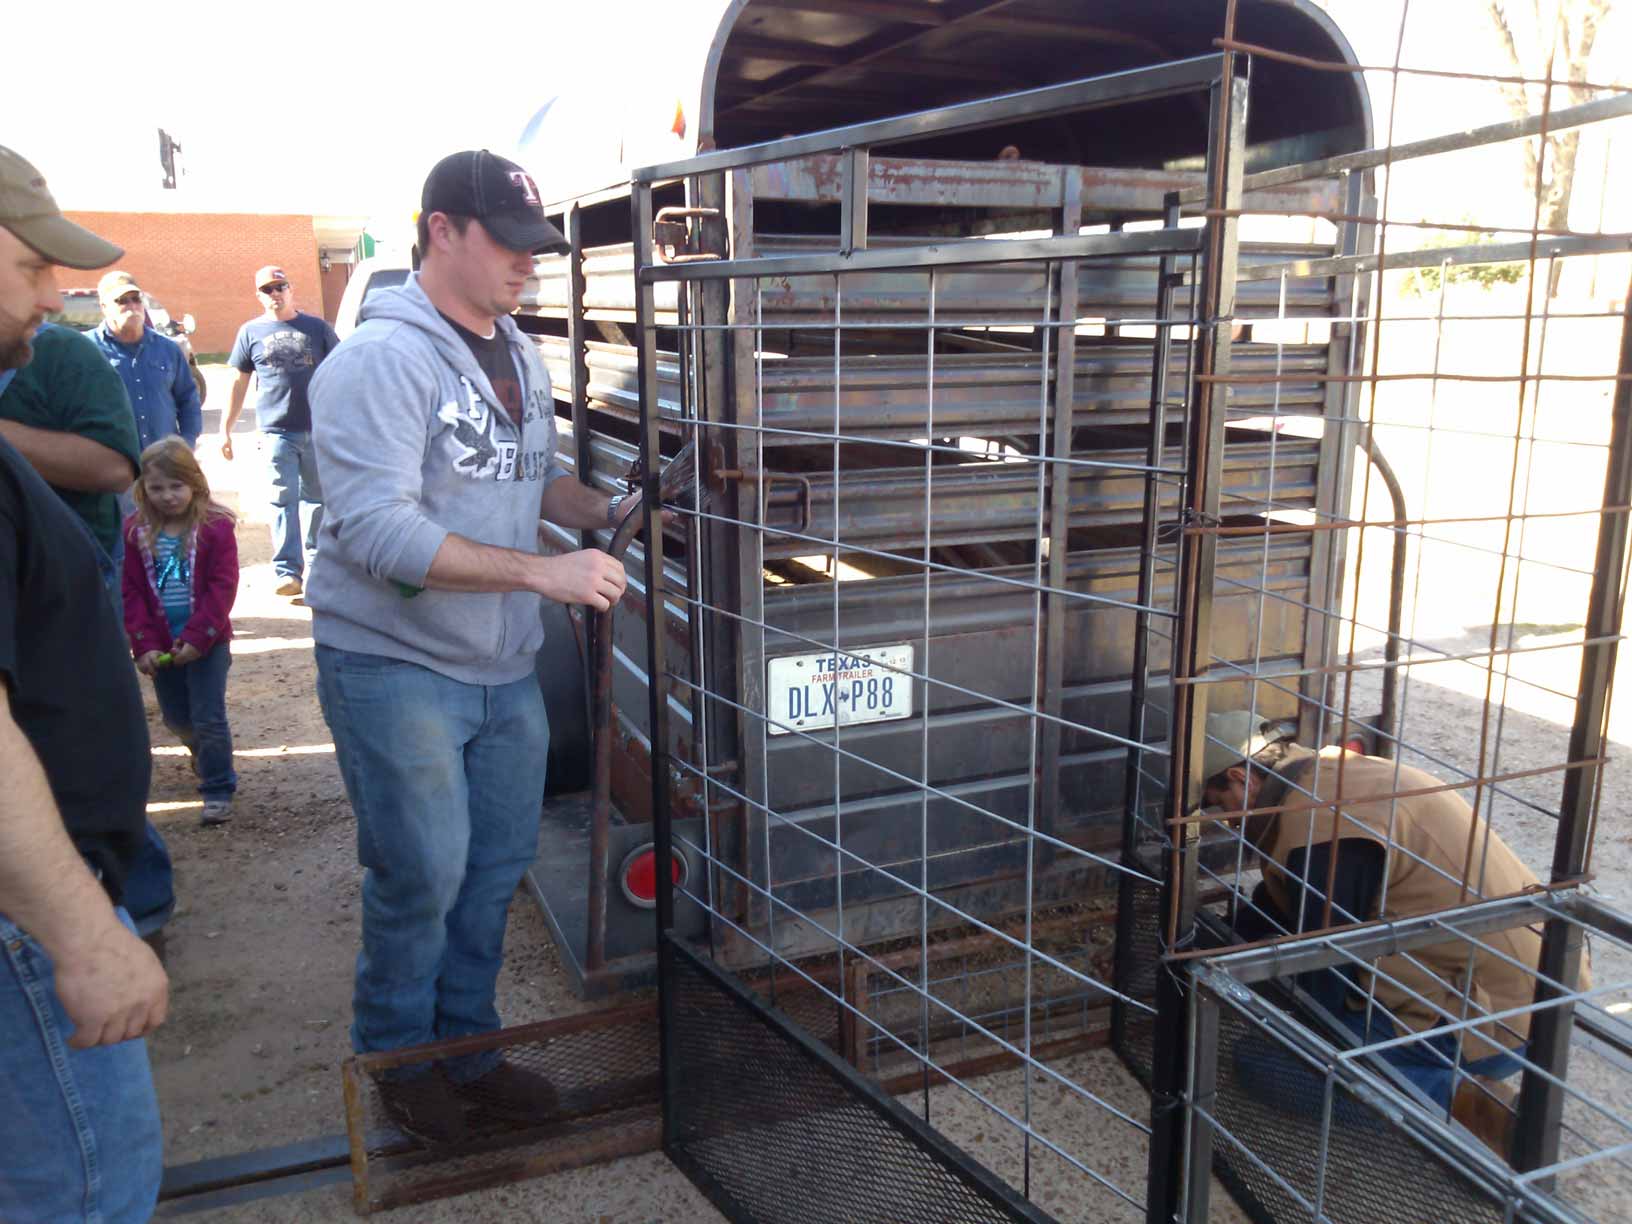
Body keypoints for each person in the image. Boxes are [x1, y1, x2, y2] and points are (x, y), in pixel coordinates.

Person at [307, 149, 641, 1143]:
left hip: (500, 665)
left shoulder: (518, 353)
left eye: (535, 247)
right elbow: (378, 533)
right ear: (441, 231)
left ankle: (470, 1051)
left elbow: (528, 480)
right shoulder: (379, 361)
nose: (528, 264)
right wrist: (544, 575)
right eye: (508, 243)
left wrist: (605, 509)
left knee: (494, 866)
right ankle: (399, 1062)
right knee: (422, 873)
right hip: (393, 663)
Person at [0, 142, 168, 1223]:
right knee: (84, 1194)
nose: (47, 299)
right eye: (29, 268)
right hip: (24, 924)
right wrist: (82, 933)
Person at [1200, 709, 1585, 1155]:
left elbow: (1325, 985)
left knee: (1263, 1063)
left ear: (1241, 778)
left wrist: (1268, 1010)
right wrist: (1212, 945)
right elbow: (1281, 902)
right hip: (1542, 991)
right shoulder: (1326, 776)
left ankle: (1459, 1102)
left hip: (1500, 1021)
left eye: (1219, 804)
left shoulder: (1318, 826)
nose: (1224, 820)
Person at [124, 437, 240, 826]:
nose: (168, 496)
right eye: (157, 488)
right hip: (161, 645)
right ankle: (199, 750)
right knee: (177, 718)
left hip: (208, 642)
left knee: (209, 717)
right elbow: (130, 592)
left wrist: (198, 637)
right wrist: (142, 643)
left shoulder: (215, 528)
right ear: (143, 489)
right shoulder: (135, 532)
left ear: (194, 483)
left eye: (176, 486)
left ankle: (218, 787)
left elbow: (222, 587)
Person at [220, 265, 338, 598]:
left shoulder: (317, 328)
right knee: (282, 499)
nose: (275, 294)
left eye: (280, 287)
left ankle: (317, 568)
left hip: (317, 428)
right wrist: (225, 429)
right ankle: (287, 572)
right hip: (276, 431)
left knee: (316, 501)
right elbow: (238, 382)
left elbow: (341, 369)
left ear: (290, 289)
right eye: (267, 289)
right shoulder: (250, 332)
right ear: (258, 295)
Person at [87, 269, 203, 456]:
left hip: (163, 462)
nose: (132, 306)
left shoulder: (167, 349)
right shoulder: (86, 349)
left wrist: (186, 444)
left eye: (136, 299)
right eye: (122, 301)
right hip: (112, 464)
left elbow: (188, 399)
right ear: (104, 306)